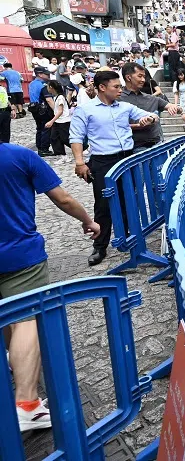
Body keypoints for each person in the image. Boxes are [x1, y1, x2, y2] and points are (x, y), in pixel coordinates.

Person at [0, 142, 100, 432]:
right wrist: (88, 221)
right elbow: (63, 199)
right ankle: (27, 404)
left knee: (8, 316)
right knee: (28, 319)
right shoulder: (19, 156)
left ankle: (16, 362)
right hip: (20, 254)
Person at [69, 71, 156, 266]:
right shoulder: (86, 110)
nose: (120, 90)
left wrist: (148, 119)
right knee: (103, 203)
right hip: (102, 161)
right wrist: (80, 162)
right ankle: (100, 246)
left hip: (126, 158)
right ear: (102, 87)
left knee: (129, 198)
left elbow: (151, 116)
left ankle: (128, 236)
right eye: (116, 87)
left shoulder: (125, 107)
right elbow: (76, 136)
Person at [120, 63, 181, 153]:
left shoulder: (150, 98)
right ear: (128, 77)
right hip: (134, 149)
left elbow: (173, 107)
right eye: (139, 76)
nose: (143, 80)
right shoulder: (118, 99)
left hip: (157, 145)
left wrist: (175, 108)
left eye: (144, 77)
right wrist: (137, 126)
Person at [28, 67, 55, 157]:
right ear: (40, 74)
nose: (48, 75)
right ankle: (44, 149)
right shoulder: (43, 85)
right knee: (46, 129)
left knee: (39, 128)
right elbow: (49, 99)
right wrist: (56, 110)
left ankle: (39, 147)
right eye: (46, 74)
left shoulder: (32, 84)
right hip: (43, 109)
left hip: (34, 108)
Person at [44, 80, 71, 156]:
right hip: (58, 121)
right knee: (54, 138)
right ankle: (60, 154)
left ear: (51, 87)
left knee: (65, 138)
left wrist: (51, 121)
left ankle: (82, 147)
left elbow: (60, 111)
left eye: (48, 87)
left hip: (63, 121)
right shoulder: (56, 97)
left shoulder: (60, 97)